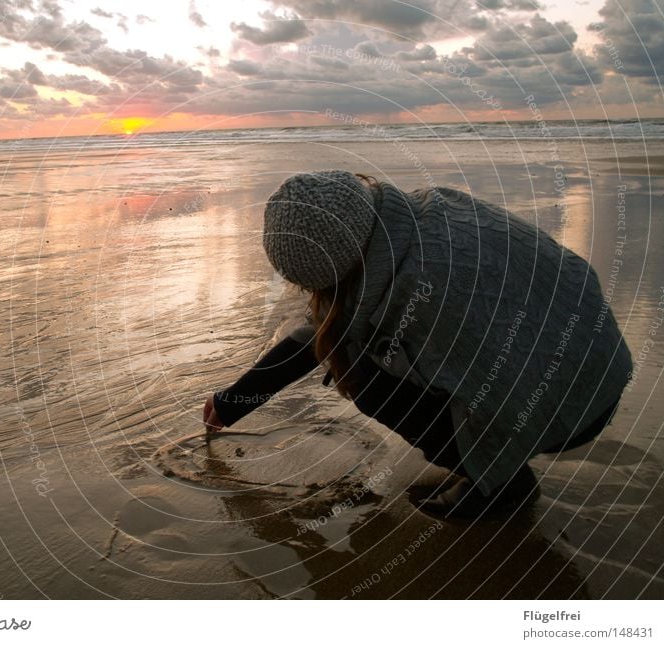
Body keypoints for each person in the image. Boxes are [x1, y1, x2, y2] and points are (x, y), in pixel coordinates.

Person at [202, 170, 633, 518]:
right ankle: (495, 460)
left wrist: (232, 402)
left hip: (569, 413)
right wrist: (234, 401)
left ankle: (500, 483)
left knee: (359, 373)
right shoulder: (439, 206)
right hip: (606, 369)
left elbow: (317, 338)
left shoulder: (404, 293)